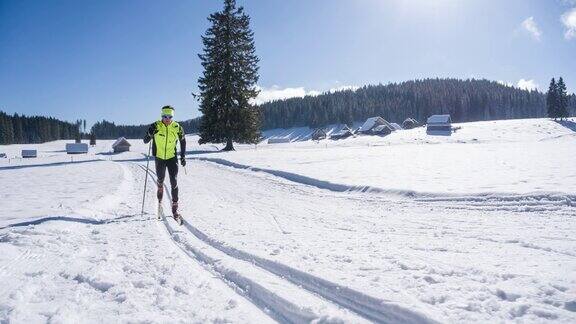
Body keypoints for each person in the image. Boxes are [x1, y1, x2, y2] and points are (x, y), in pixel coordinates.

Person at [144, 106, 186, 219]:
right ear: (161, 116)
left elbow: (183, 141)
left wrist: (182, 156)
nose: (167, 119)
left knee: (174, 181)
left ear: (172, 117)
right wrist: (150, 133)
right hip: (160, 158)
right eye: (165, 116)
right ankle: (160, 191)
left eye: (170, 116)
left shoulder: (177, 127)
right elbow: (145, 141)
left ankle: (175, 206)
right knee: (161, 179)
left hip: (172, 158)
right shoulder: (156, 126)